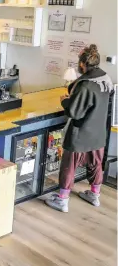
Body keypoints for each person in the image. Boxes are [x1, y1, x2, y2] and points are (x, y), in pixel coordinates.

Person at [45, 44, 113, 212]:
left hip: (81, 133)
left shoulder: (85, 85)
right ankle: (94, 195)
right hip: (98, 132)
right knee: (96, 164)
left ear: (83, 64)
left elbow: (74, 112)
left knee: (70, 165)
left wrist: (64, 100)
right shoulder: (106, 78)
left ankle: (62, 200)